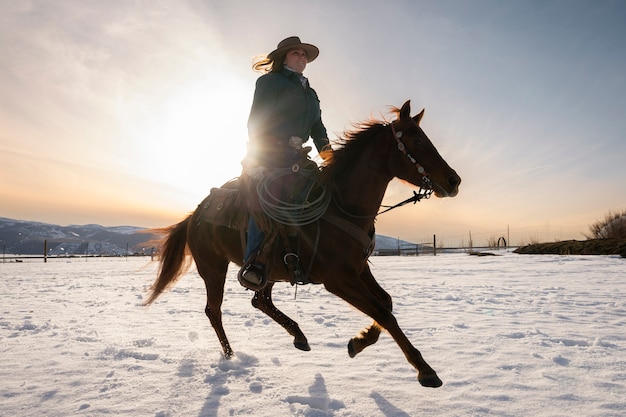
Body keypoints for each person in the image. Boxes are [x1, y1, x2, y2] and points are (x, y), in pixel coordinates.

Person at [239, 36, 332, 288]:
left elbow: (318, 127)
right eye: (296, 54)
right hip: (270, 152)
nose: (301, 58)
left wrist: (330, 156)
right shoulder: (270, 82)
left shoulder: (310, 93)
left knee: (326, 191)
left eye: (304, 55)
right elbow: (256, 119)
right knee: (266, 197)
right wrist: (260, 155)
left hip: (299, 156)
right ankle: (254, 262)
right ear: (283, 57)